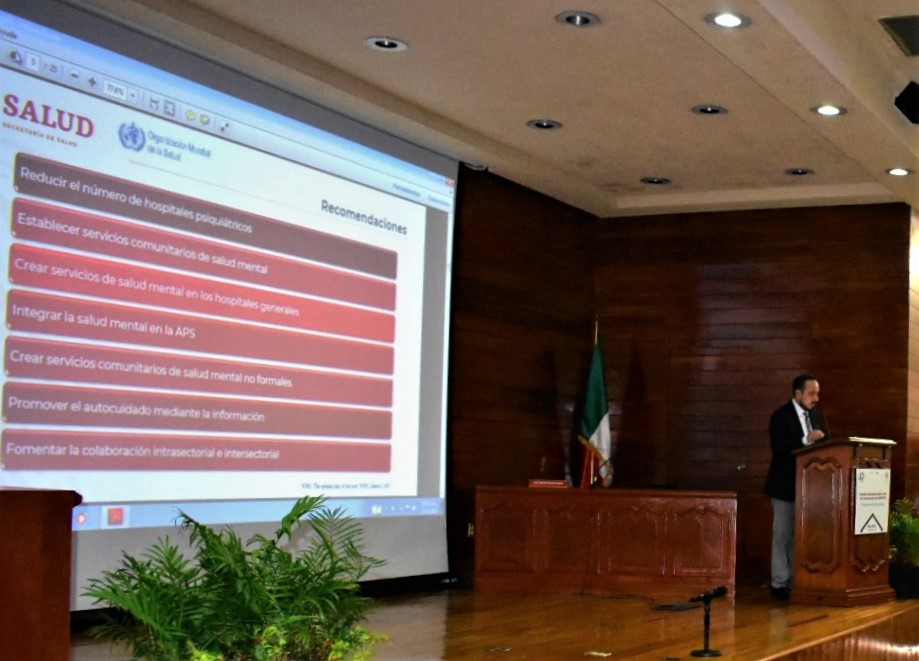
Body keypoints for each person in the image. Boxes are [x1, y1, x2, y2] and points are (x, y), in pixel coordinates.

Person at [764, 373, 829, 601]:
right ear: (798, 393)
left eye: (817, 394)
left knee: (799, 536)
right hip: (784, 485)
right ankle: (779, 583)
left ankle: (796, 580)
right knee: (782, 534)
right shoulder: (781, 417)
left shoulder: (817, 416)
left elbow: (828, 447)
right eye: (811, 394)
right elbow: (780, 447)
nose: (815, 398)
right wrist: (805, 440)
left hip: (811, 489)